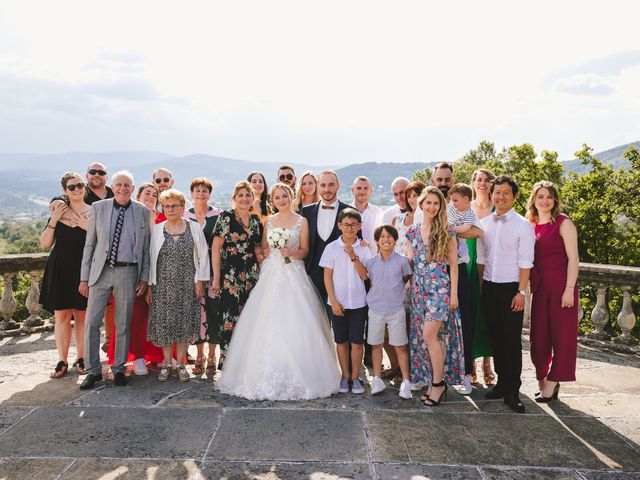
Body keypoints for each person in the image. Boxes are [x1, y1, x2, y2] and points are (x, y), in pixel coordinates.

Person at [217, 184, 341, 400]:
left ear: (291, 197)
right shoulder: (269, 221)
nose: (281, 200)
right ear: (271, 200)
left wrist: (291, 251)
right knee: (266, 319)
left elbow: (305, 250)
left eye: (285, 196)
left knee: (296, 319)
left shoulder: (302, 221)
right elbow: (263, 247)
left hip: (293, 271)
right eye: (277, 197)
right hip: (271, 272)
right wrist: (263, 251)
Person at [78, 170, 150, 390]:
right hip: (100, 272)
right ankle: (93, 371)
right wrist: (84, 278)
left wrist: (144, 277)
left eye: (127, 185)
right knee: (91, 321)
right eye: (119, 184)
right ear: (113, 185)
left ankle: (119, 368)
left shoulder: (142, 211)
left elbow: (145, 249)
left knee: (123, 323)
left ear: (132, 188)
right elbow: (89, 245)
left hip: (128, 272)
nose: (122, 188)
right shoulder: (98, 208)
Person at [477, 175, 535, 413]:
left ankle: (513, 390)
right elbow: (481, 260)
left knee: (512, 341)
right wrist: (481, 289)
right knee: (497, 339)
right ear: (492, 194)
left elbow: (526, 263)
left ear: (514, 197)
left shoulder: (523, 225)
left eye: (505, 193)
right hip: (489, 287)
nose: (500, 197)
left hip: (512, 288)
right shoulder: (485, 224)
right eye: (497, 192)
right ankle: (501, 384)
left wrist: (521, 292)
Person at [406, 186, 465, 406]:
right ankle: (434, 382)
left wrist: (453, 294)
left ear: (441, 206)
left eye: (436, 203)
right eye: (428, 202)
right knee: (430, 339)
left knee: (430, 336)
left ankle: (438, 385)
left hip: (439, 289)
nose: (432, 207)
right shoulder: (412, 231)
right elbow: (410, 262)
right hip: (419, 290)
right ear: (421, 204)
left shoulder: (447, 230)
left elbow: (454, 265)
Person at [146, 189, 210, 382]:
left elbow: (203, 255)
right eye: (166, 206)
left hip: (187, 284)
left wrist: (200, 280)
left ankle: (180, 363)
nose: (170, 209)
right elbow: (151, 259)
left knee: (183, 323)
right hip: (162, 285)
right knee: (165, 324)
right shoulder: (158, 230)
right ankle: (166, 363)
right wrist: (150, 285)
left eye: (174, 205)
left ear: (183, 207)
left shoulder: (193, 228)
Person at [432, 163, 483, 396]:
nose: (443, 183)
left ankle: (465, 373)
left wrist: (450, 230)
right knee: (434, 325)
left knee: (464, 320)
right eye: (439, 179)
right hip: (433, 272)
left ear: (452, 181)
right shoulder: (428, 202)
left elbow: (477, 231)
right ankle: (436, 375)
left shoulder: (462, 205)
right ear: (433, 181)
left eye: (447, 179)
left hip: (459, 269)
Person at [526, 181, 579, 403]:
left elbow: (574, 259)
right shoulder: (529, 223)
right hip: (539, 288)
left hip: (561, 286)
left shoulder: (564, 223)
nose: (545, 201)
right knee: (538, 339)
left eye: (549, 196)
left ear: (555, 199)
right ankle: (542, 378)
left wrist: (569, 290)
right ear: (534, 200)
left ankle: (552, 382)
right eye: (540, 196)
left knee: (562, 338)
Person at [106, 183, 164, 374]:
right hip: (134, 274)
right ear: (138, 195)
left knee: (154, 318)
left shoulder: (163, 218)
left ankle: (155, 355)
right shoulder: (130, 216)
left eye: (154, 194)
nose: (151, 196)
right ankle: (135, 357)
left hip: (161, 275)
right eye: (147, 193)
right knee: (132, 317)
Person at [39, 172, 91, 378]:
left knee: (81, 315)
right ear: (65, 191)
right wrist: (54, 219)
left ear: (84, 187)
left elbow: (100, 243)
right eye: (72, 187)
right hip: (59, 268)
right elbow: (44, 243)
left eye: (80, 185)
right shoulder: (58, 210)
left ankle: (82, 357)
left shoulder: (93, 212)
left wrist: (87, 226)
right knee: (61, 315)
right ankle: (62, 361)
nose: (77, 189)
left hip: (82, 268)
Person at [211, 181, 264, 369]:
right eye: (240, 195)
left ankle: (246, 362)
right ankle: (227, 363)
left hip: (251, 275)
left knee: (249, 317)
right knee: (229, 318)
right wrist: (217, 278)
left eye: (248, 194)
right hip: (231, 275)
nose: (244, 198)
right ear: (234, 198)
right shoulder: (226, 217)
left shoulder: (256, 220)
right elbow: (216, 249)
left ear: (253, 198)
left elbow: (258, 247)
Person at [320, 208, 373, 395]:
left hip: (359, 302)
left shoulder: (365, 248)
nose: (349, 228)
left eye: (353, 225)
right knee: (341, 341)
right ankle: (345, 376)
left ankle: (355, 377)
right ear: (339, 226)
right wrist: (333, 301)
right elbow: (327, 277)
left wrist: (353, 256)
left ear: (359, 226)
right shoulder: (331, 248)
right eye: (345, 225)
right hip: (338, 303)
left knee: (357, 342)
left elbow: (365, 275)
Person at [364, 224, 413, 399]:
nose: (386, 240)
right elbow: (369, 280)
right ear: (377, 241)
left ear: (394, 239)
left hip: (395, 309)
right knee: (376, 344)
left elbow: (405, 277)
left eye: (389, 236)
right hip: (375, 309)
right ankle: (377, 379)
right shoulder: (370, 262)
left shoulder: (402, 261)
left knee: (400, 345)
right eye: (382, 237)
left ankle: (407, 381)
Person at [183, 178, 223, 375]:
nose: (201, 194)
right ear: (191, 194)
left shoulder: (219, 215)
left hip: (214, 268)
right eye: (197, 190)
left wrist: (217, 276)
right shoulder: (185, 216)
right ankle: (199, 353)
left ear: (209, 194)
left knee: (214, 310)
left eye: (204, 191)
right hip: (191, 271)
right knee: (196, 312)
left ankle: (213, 354)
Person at [301, 170, 353, 306]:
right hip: (312, 272)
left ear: (338, 186)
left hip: (340, 274)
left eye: (331, 185)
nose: (327, 189)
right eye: (323, 185)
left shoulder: (350, 211)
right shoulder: (306, 211)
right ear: (318, 186)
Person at [468, 169, 496, 385]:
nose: (483, 183)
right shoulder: (466, 207)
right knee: (471, 314)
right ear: (473, 183)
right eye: (479, 180)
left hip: (493, 265)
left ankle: (488, 362)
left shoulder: (498, 207)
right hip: (468, 263)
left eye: (487, 180)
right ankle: (471, 362)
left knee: (488, 314)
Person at [392, 181, 426, 256]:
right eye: (409, 196)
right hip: (398, 264)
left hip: (418, 263)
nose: (411, 199)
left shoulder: (427, 219)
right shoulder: (397, 219)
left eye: (415, 195)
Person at [351, 176, 384, 246]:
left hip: (373, 256)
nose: (362, 192)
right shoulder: (345, 212)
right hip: (349, 256)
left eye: (366, 188)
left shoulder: (379, 213)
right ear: (353, 190)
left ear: (371, 190)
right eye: (359, 188)